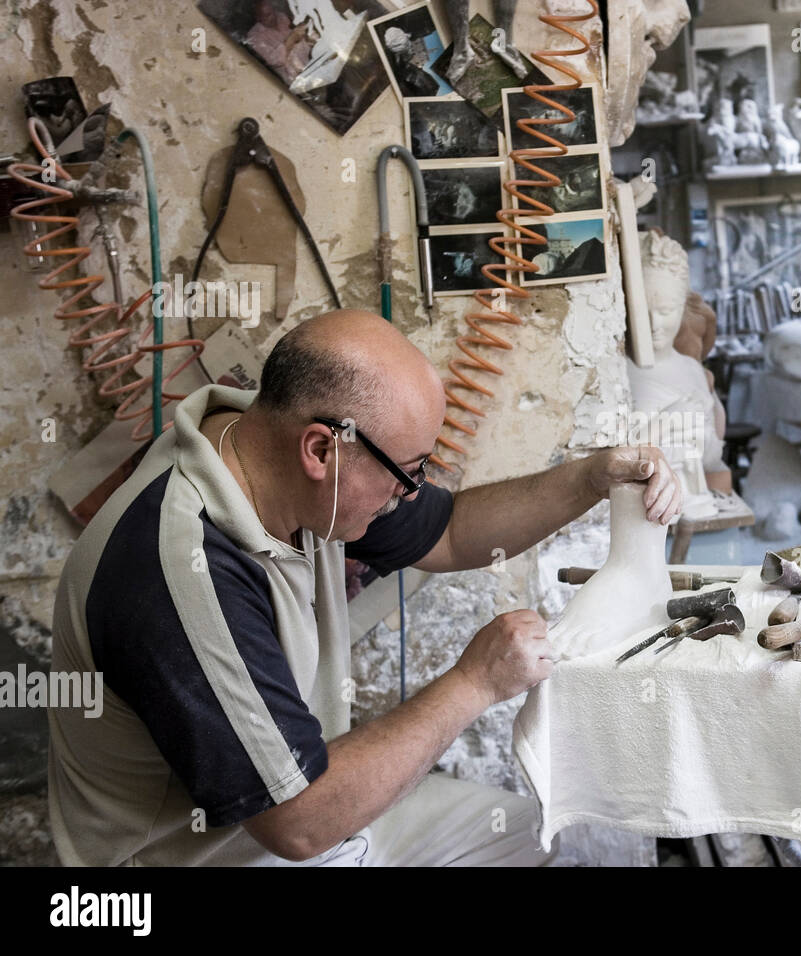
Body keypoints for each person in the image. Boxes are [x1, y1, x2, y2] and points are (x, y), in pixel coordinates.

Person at [48, 310, 682, 866]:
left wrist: (594, 477)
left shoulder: (271, 451)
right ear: (321, 450)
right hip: (212, 856)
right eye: (407, 474)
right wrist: (475, 683)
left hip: (302, 804)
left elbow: (453, 532)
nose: (409, 495)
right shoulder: (182, 569)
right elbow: (296, 824)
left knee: (522, 836)